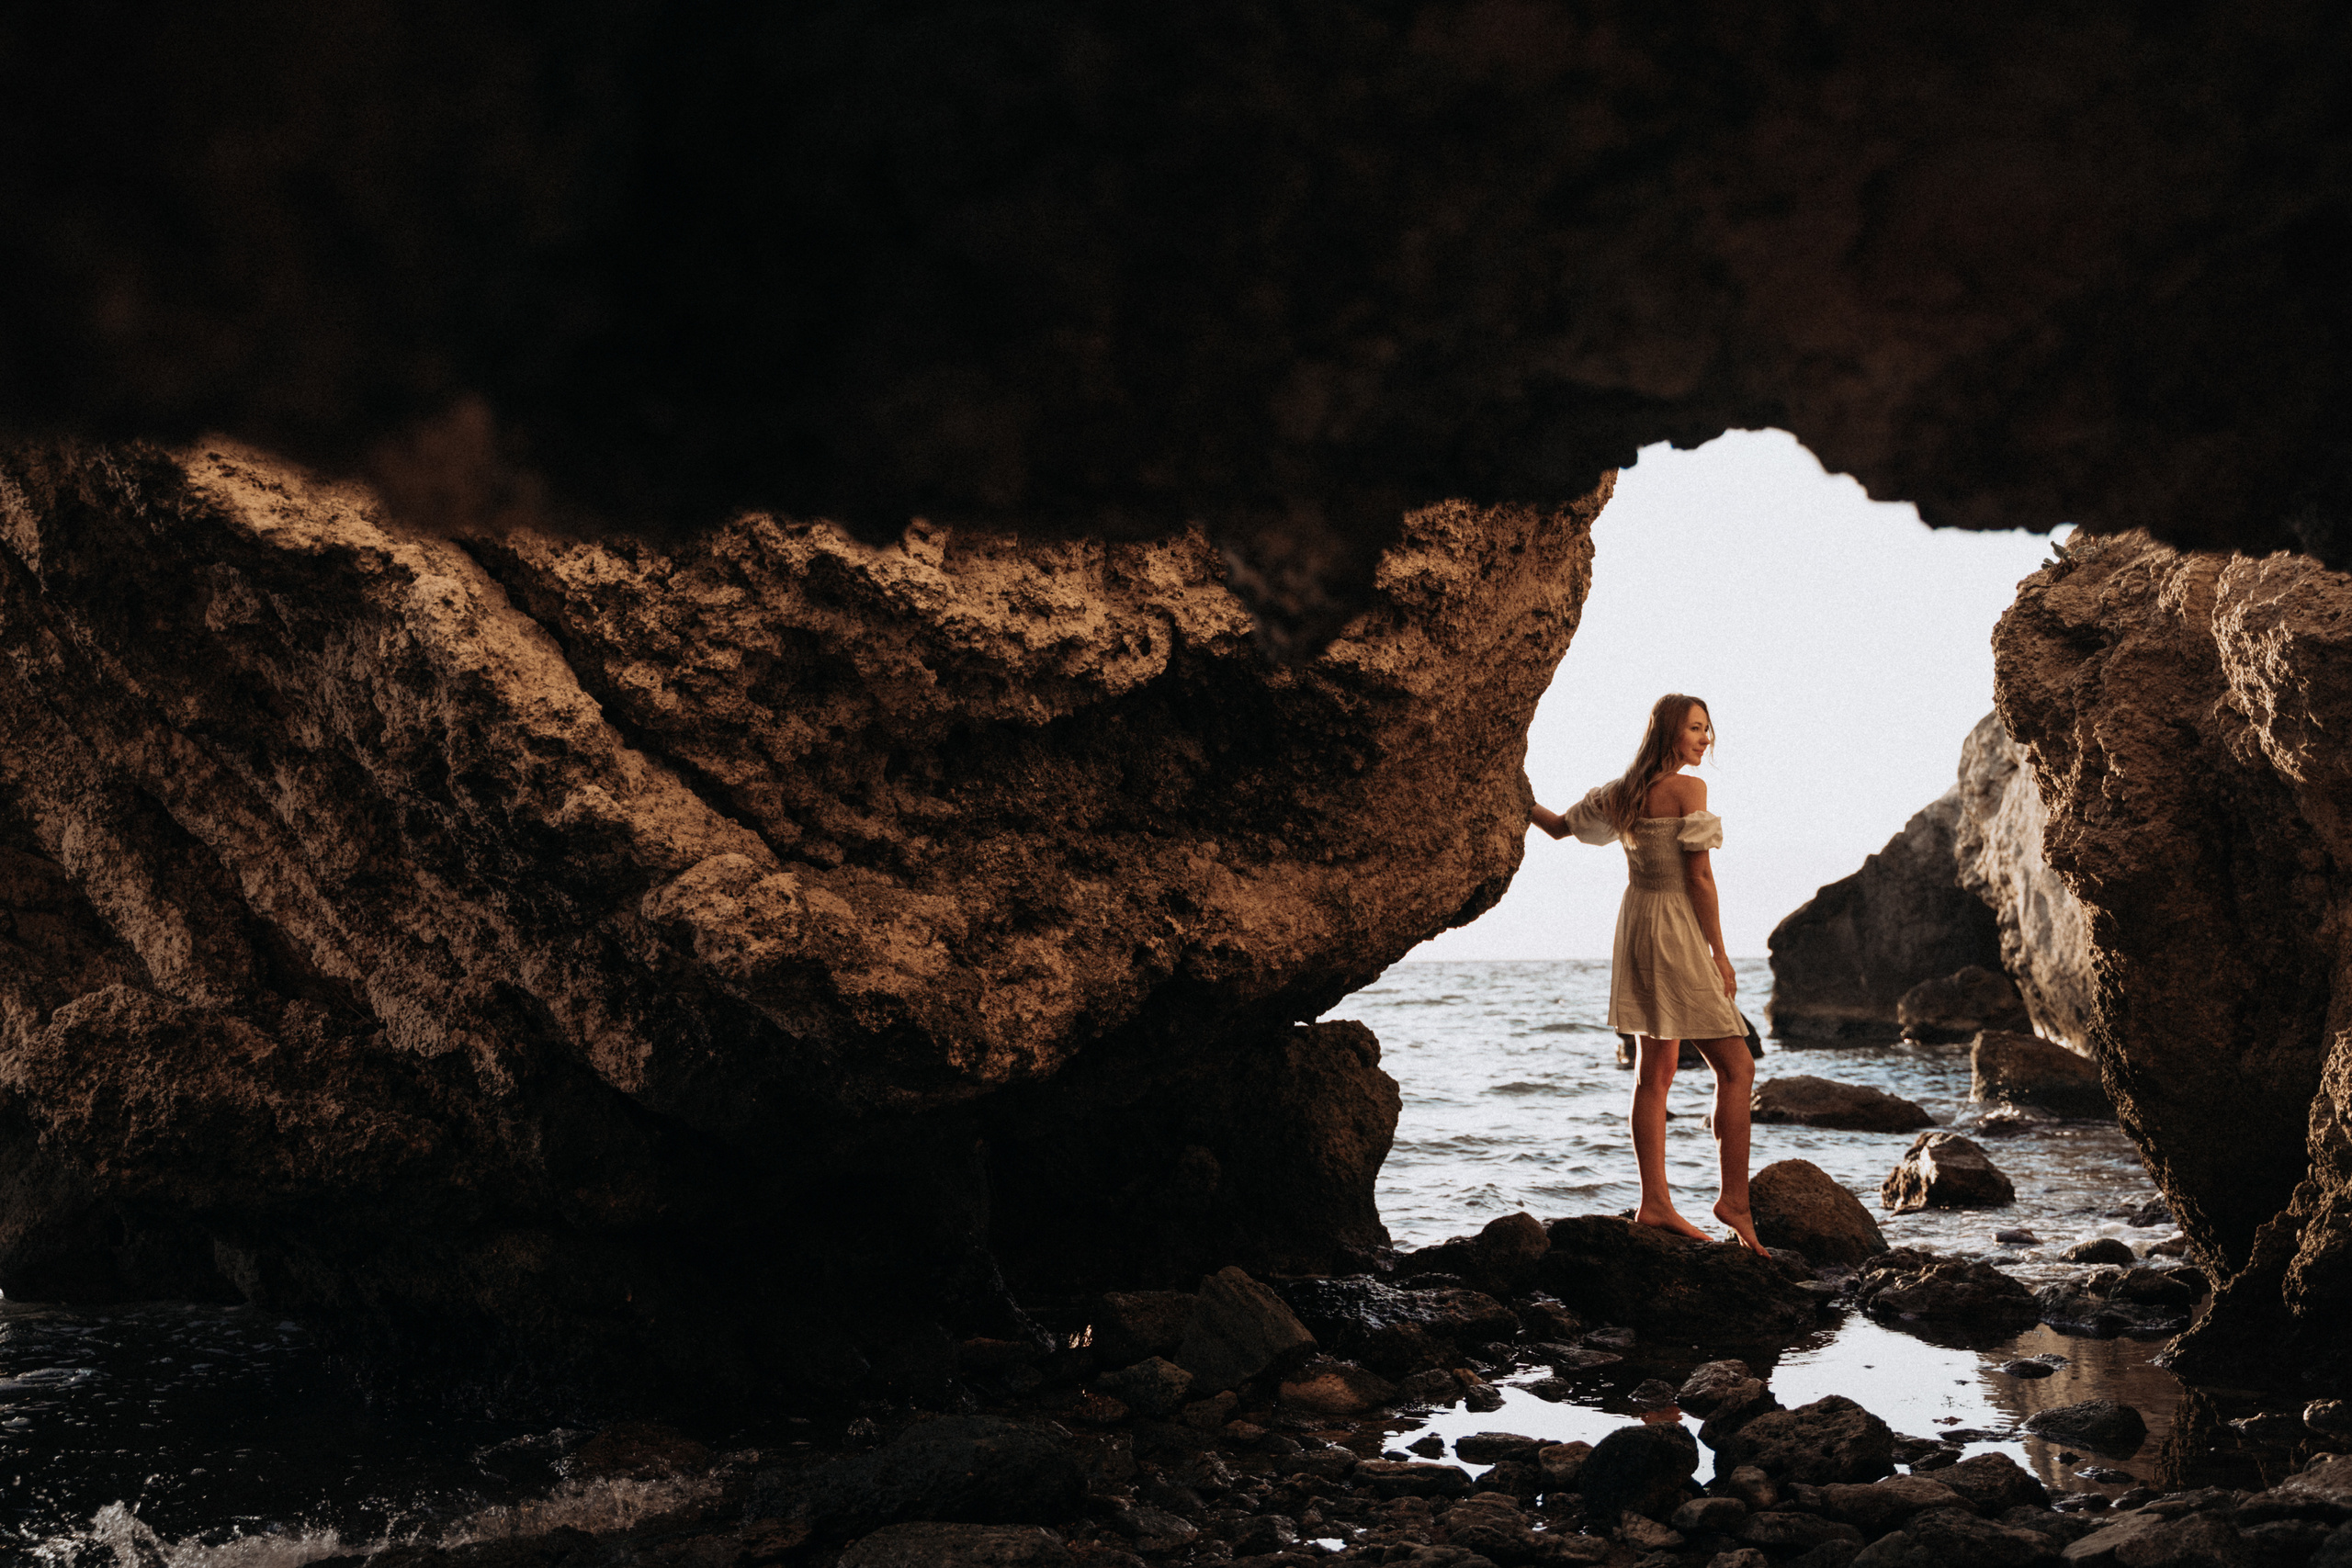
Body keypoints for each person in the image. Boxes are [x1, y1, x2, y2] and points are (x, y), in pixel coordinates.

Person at [1529, 694, 1765, 1255]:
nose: (1705, 739)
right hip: (1676, 928)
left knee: (1654, 1073)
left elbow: (1560, 827)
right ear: (1669, 733)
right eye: (1696, 729)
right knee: (1737, 1066)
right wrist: (1721, 954)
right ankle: (1735, 1201)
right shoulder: (1689, 790)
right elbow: (1701, 878)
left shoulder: (1622, 792)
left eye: (1709, 730)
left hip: (1637, 925)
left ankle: (1655, 1202)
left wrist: (1512, 790)